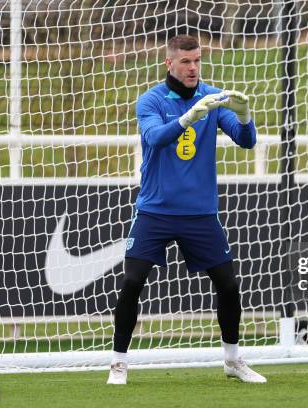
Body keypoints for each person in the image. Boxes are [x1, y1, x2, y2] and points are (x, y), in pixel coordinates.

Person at [107, 34, 266, 385]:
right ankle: (118, 363)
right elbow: (153, 138)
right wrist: (188, 118)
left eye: (197, 60)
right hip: (155, 211)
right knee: (132, 281)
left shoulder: (213, 96)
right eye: (185, 61)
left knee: (228, 285)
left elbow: (247, 141)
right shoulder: (150, 100)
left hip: (200, 213)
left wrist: (244, 116)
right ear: (169, 63)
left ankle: (232, 360)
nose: (193, 67)